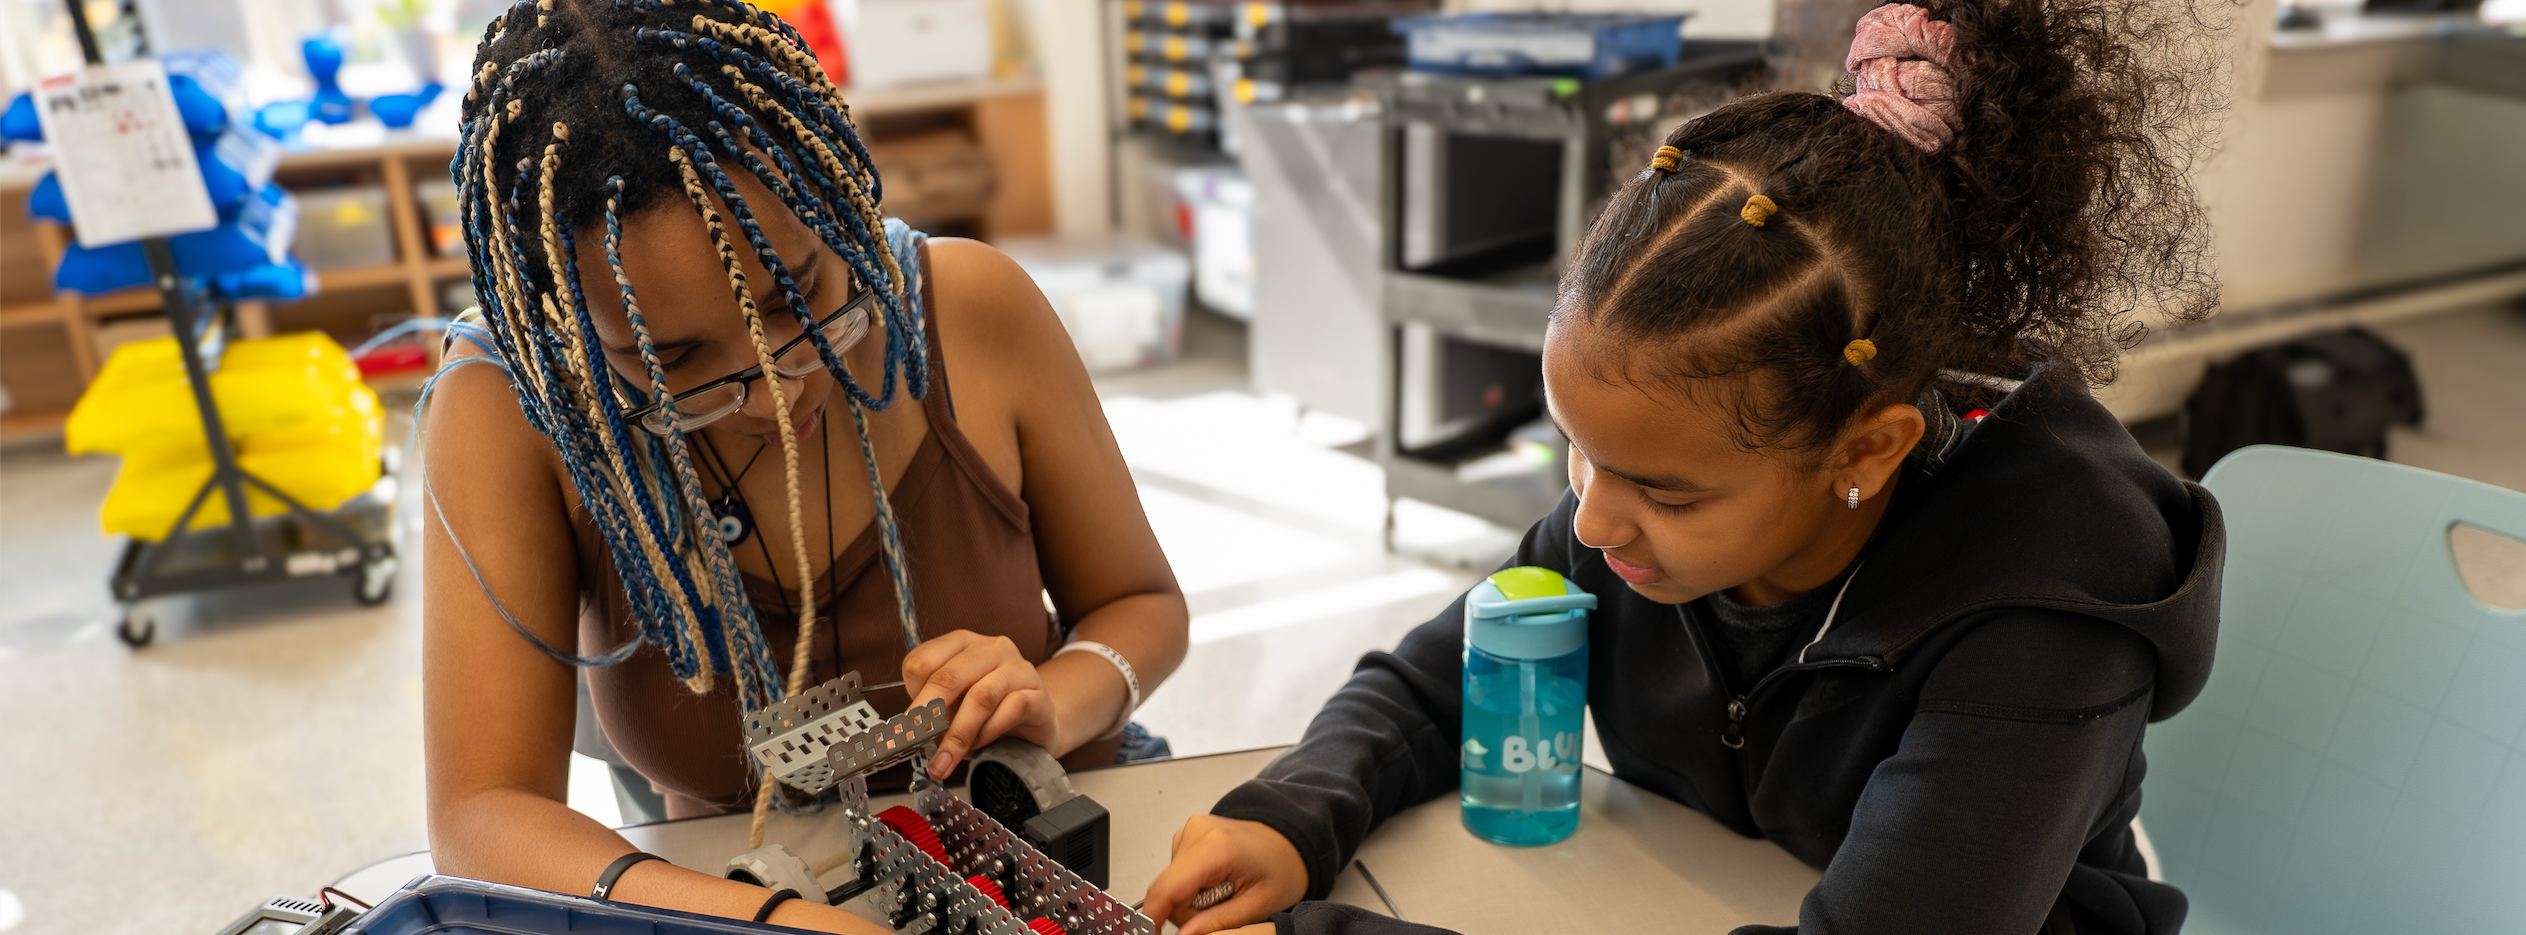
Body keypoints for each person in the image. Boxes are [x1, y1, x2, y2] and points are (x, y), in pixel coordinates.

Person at [1143, 0, 2230, 932]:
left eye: (1663, 489)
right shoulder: (1637, 498)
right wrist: (1288, 809)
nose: (1594, 520)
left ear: (1867, 449)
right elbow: (1439, 685)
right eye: (1580, 448)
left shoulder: (2047, 611)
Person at [418, 2, 1187, 930]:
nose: (778, 390)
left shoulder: (973, 310)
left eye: (802, 294)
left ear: (841, 201)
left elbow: (1144, 605)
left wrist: (1057, 702)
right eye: (677, 362)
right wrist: (781, 920)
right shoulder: (512, 410)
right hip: (744, 892)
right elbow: (479, 814)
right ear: (569, 335)